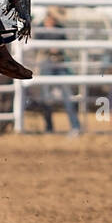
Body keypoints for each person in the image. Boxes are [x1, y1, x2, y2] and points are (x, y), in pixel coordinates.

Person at [30, 7, 81, 136]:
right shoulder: (41, 27)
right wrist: (49, 49)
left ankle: (75, 126)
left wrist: (57, 49)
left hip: (59, 62)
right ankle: (49, 127)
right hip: (46, 62)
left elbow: (64, 44)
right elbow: (36, 46)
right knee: (46, 96)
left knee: (66, 94)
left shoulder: (59, 28)